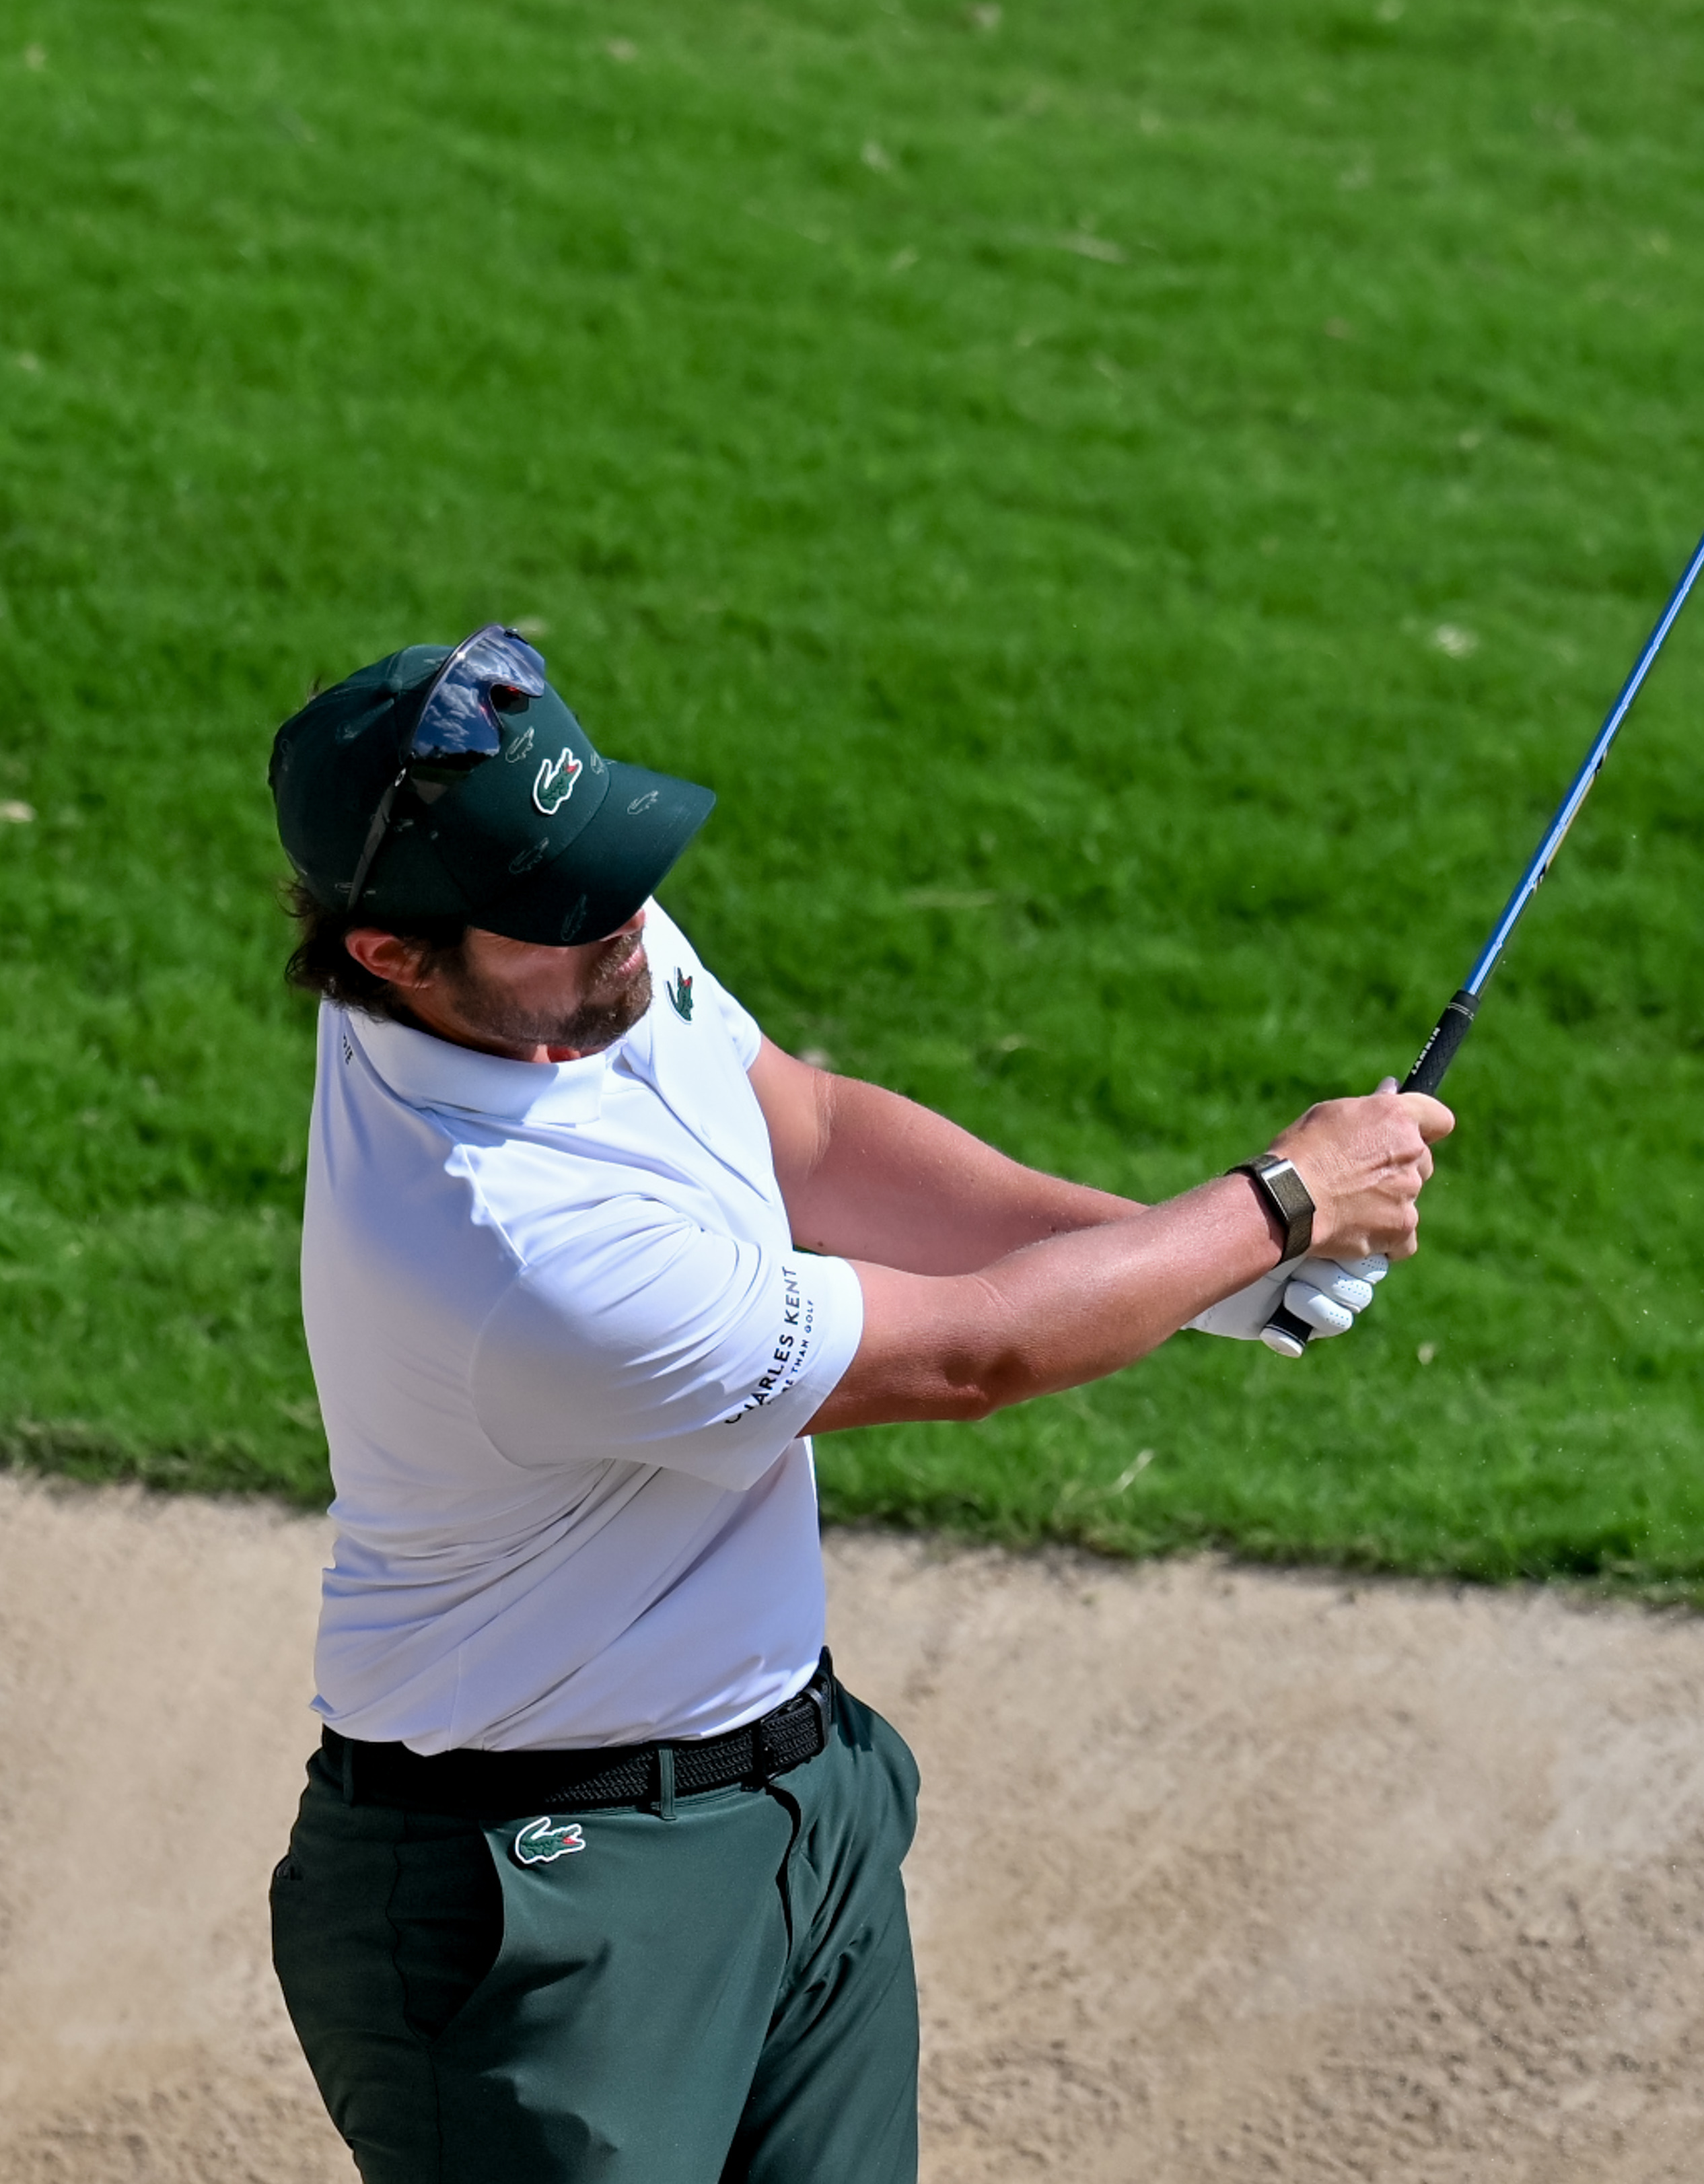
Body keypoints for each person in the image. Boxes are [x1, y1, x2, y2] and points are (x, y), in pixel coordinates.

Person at [255, 625, 1449, 2181]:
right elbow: (969, 1360)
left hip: (794, 1810)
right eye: (558, 904)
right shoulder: (512, 1250)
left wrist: (1175, 1261)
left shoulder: (558, 951)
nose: (621, 918)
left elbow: (809, 1133)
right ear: (390, 958)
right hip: (540, 1910)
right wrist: (1277, 1206)